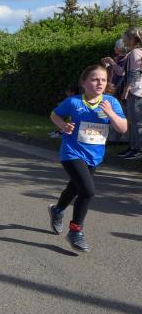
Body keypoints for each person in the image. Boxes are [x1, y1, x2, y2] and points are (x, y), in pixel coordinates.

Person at [48, 65, 127, 252]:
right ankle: (75, 231)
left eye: (103, 80)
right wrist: (63, 126)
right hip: (72, 153)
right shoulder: (74, 102)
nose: (100, 83)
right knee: (88, 191)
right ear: (83, 82)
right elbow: (54, 114)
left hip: (94, 156)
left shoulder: (111, 102)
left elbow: (123, 128)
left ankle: (57, 210)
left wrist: (110, 113)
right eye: (94, 79)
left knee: (74, 188)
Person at [118, 28, 142, 160]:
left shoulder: (135, 52)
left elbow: (134, 73)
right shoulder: (135, 52)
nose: (123, 40)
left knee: (136, 122)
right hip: (137, 90)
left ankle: (138, 149)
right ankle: (133, 147)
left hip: (136, 91)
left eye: (125, 38)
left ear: (132, 39)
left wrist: (126, 89)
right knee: (133, 121)